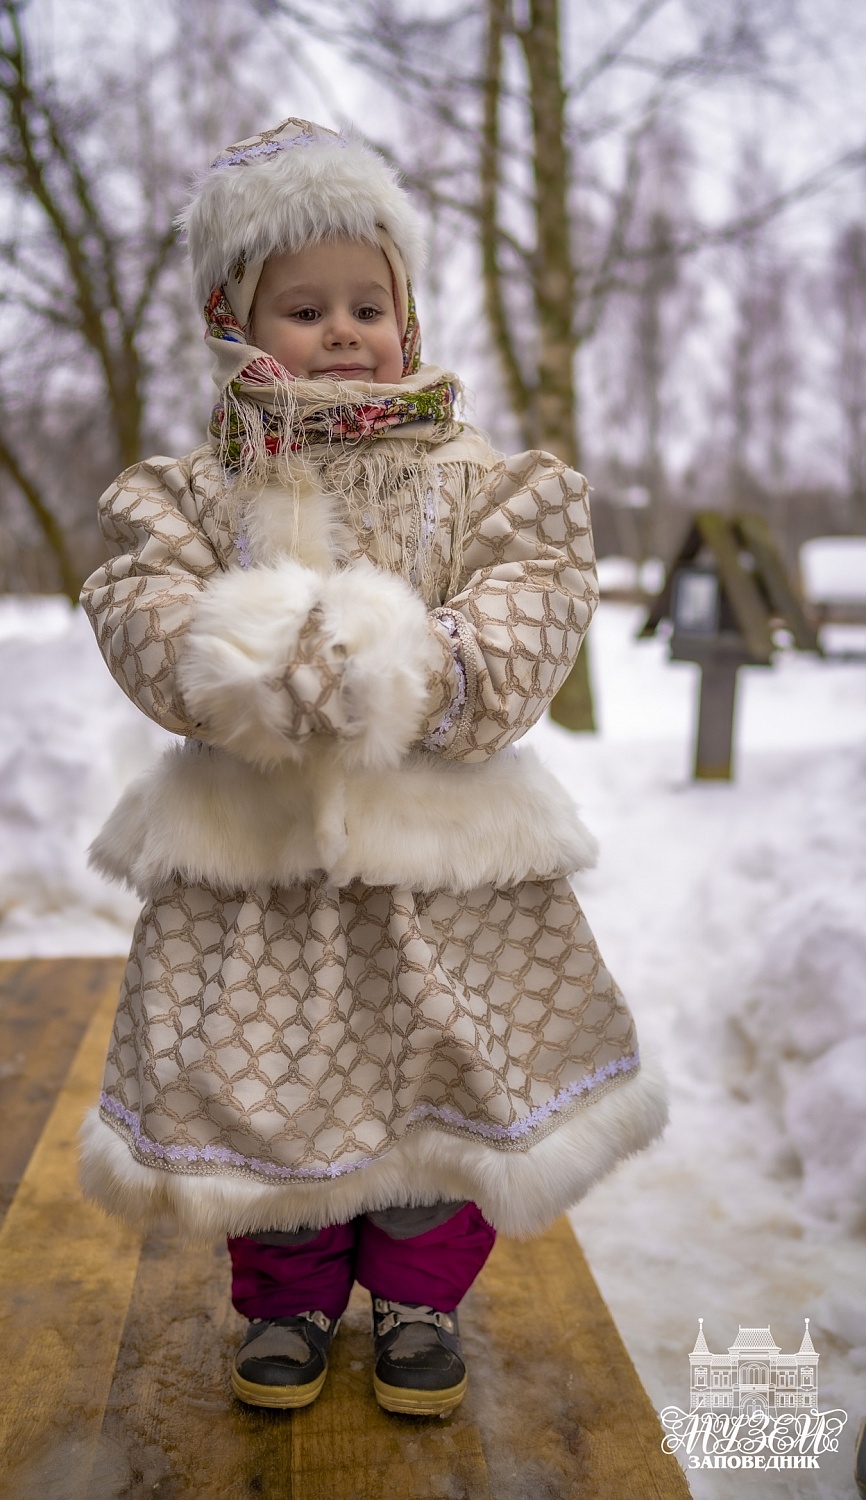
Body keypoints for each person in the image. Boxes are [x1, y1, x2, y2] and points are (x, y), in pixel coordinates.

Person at [78, 117, 668, 1418]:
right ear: (235, 326)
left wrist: (423, 661)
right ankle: (284, 1302)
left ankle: (416, 1301)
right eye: (303, 308)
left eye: (368, 302)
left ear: (408, 313)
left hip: (441, 867)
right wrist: (239, 659)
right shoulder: (193, 489)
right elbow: (137, 604)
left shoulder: (474, 479)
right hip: (261, 877)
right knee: (264, 1087)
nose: (343, 331)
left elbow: (533, 598)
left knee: (433, 1082)